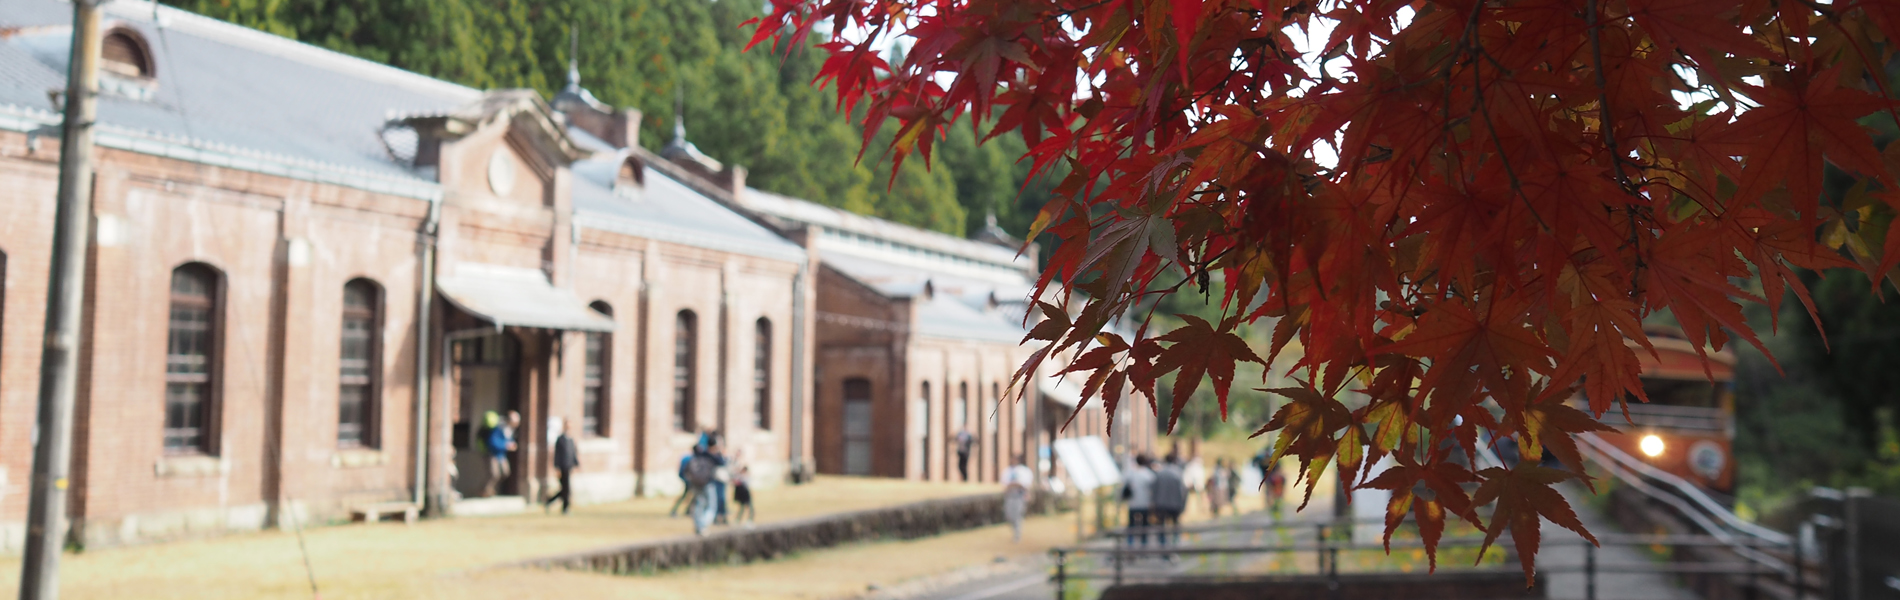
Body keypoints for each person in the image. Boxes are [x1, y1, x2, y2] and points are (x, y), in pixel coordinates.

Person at [685, 441, 726, 535]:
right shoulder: (710, 456)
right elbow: (722, 462)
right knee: (711, 506)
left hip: (695, 484)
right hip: (708, 483)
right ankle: (702, 525)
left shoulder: (693, 457)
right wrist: (718, 452)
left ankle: (698, 525)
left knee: (699, 504)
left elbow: (685, 471)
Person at [1152, 453, 1188, 551]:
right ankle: (1175, 545)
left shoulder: (1160, 473)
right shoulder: (1178, 473)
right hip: (1175, 503)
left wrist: (1154, 503)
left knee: (1162, 526)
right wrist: (1183, 505)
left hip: (1161, 503)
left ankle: (1163, 546)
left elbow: (1154, 490)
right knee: (1175, 525)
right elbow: (1183, 490)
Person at [1122, 454, 1157, 548]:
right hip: (1145, 503)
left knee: (1131, 526)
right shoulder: (1148, 474)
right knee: (1144, 526)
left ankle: (1130, 545)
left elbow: (1124, 483)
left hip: (1132, 503)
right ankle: (1144, 545)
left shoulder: (1131, 473)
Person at [546, 418, 579, 514]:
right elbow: (557, 455)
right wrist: (557, 468)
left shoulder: (571, 439)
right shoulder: (560, 439)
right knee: (566, 489)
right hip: (562, 467)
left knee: (565, 489)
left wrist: (576, 464)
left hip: (569, 467)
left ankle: (550, 501)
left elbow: (573, 453)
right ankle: (565, 508)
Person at [483, 411, 519, 497]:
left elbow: (508, 440)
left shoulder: (509, 429)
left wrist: (510, 444)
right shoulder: (499, 428)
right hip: (493, 453)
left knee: (505, 472)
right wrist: (505, 445)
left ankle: (490, 489)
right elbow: (493, 442)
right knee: (494, 474)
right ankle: (485, 491)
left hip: (501, 454)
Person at [1001, 455, 1035, 543]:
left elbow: (1026, 484)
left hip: (1019, 496)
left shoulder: (1024, 471)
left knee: (1017, 515)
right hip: (1010, 496)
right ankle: (1014, 531)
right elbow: (1005, 484)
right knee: (1009, 515)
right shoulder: (1007, 471)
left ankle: (1017, 534)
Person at [668, 450, 696, 517]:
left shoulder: (688, 458)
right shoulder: (692, 459)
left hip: (688, 479)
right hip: (690, 480)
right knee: (692, 496)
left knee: (691, 496)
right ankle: (676, 510)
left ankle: (687, 510)